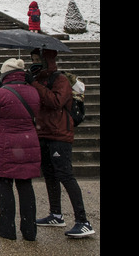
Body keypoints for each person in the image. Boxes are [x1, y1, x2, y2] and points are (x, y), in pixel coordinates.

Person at [30, 48, 95, 238]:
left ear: (46, 60)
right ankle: (56, 214)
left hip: (60, 134)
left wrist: (35, 84)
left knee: (66, 175)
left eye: (36, 59)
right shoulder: (38, 79)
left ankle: (83, 221)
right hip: (44, 133)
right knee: (50, 174)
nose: (33, 62)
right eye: (32, 59)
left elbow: (56, 101)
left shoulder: (60, 79)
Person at [0, 58, 41, 241]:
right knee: (26, 186)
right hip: (28, 144)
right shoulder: (33, 92)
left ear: (5, 74)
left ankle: (6, 227)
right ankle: (29, 230)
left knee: (5, 186)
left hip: (5, 146)